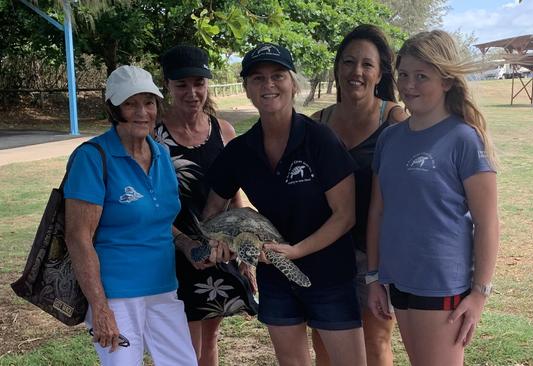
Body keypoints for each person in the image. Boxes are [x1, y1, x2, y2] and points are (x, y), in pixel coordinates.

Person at [203, 43, 366, 366]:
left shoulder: (319, 139)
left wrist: (295, 251)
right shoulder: (240, 151)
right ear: (247, 88)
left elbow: (345, 215)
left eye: (278, 76)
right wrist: (218, 238)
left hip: (329, 272)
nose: (268, 85)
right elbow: (212, 211)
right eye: (258, 78)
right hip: (274, 274)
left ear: (293, 83)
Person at [366, 30, 500, 366]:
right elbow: (377, 212)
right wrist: (374, 277)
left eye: (421, 76)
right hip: (398, 279)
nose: (409, 85)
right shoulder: (390, 138)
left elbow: (487, 223)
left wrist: (479, 294)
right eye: (404, 75)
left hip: (441, 285)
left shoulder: (464, 139)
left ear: (447, 81)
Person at [64, 65, 198, 365]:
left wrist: (189, 246)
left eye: (149, 102)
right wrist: (100, 307)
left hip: (163, 286)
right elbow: (78, 237)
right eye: (130, 103)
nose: (142, 112)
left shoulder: (162, 154)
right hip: (116, 294)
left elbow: (160, 220)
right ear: (114, 109)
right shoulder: (92, 157)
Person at [310, 24, 408, 366]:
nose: (357, 71)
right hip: (325, 251)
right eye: (349, 62)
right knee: (325, 342)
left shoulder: (396, 120)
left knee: (376, 339)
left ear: (380, 73)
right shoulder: (316, 124)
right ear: (337, 68)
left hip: (376, 253)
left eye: (367, 64)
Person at [155, 45, 258, 366]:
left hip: (217, 251)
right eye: (181, 84)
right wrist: (183, 243)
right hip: (171, 252)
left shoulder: (223, 131)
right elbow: (149, 203)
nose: (192, 92)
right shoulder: (153, 137)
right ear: (168, 85)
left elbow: (234, 196)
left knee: (210, 337)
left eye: (198, 82)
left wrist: (245, 254)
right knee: (184, 341)